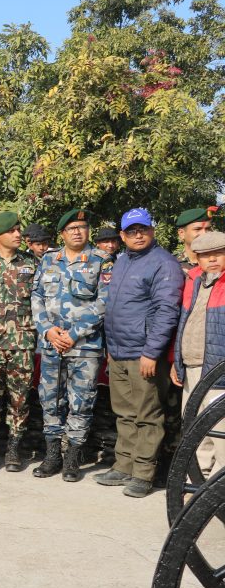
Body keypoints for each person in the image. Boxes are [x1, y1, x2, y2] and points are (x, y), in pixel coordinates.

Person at [95, 207, 184, 498]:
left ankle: (143, 473)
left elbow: (166, 311)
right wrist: (111, 348)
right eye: (131, 231)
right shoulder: (122, 261)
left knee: (148, 414)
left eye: (142, 229)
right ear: (122, 236)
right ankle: (124, 466)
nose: (138, 235)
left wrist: (151, 352)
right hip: (119, 351)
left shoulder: (164, 263)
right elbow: (114, 307)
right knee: (124, 413)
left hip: (143, 354)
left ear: (152, 231)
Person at [30, 209, 114, 482]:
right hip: (52, 344)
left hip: (85, 346)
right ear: (62, 234)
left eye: (82, 227)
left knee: (82, 402)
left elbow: (105, 301)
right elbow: (37, 296)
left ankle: (73, 458)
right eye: (72, 228)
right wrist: (47, 329)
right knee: (50, 400)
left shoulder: (102, 260)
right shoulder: (48, 259)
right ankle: (52, 456)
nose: (77, 232)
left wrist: (75, 333)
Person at [0, 211, 38, 472]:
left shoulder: (32, 264)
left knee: (20, 400)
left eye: (18, 229)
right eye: (12, 230)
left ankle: (13, 449)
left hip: (23, 345)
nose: (18, 234)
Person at [173, 231, 225, 476]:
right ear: (197, 258)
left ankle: (218, 489)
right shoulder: (194, 281)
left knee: (220, 432)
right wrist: (177, 361)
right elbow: (185, 323)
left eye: (218, 253)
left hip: (218, 370)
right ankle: (197, 484)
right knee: (195, 429)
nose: (212, 259)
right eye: (206, 255)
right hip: (192, 366)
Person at [175, 207, 216, 276]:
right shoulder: (172, 264)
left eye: (208, 229)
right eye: (197, 229)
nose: (204, 233)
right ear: (182, 233)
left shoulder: (219, 261)